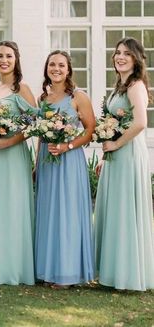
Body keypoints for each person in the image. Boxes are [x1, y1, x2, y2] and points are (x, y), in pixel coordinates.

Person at [94, 37, 154, 291]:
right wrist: (107, 155)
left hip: (128, 154)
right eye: (117, 52)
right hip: (116, 156)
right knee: (115, 210)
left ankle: (126, 275)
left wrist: (117, 145)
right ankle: (113, 271)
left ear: (136, 59)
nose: (120, 57)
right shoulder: (120, 86)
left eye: (126, 54)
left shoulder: (135, 86)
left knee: (125, 210)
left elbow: (140, 122)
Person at [35, 50, 95, 288]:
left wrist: (67, 145)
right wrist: (37, 162)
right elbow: (41, 134)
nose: (56, 69)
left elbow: (90, 130)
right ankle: (49, 269)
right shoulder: (44, 99)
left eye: (61, 65)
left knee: (67, 214)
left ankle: (67, 273)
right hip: (47, 162)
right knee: (50, 214)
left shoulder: (78, 97)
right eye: (52, 65)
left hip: (69, 161)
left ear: (69, 69)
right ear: (47, 69)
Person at [0, 41, 36, 285]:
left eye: (9, 56)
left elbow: (34, 124)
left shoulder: (21, 89)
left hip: (12, 154)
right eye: (0, 56)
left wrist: (9, 141)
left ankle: (14, 267)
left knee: (12, 207)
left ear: (16, 60)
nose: (4, 60)